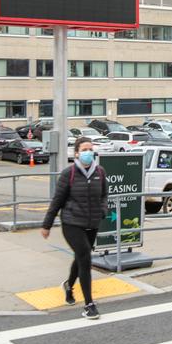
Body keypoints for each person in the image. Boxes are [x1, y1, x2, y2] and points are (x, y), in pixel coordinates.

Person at [41, 136, 107, 319]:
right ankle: (89, 305)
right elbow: (57, 201)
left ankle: (69, 286)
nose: (89, 152)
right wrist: (47, 224)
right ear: (77, 153)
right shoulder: (68, 174)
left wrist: (103, 210)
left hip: (92, 222)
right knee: (85, 257)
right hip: (71, 223)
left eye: (91, 149)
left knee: (80, 258)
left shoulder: (99, 172)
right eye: (85, 149)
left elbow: (104, 195)